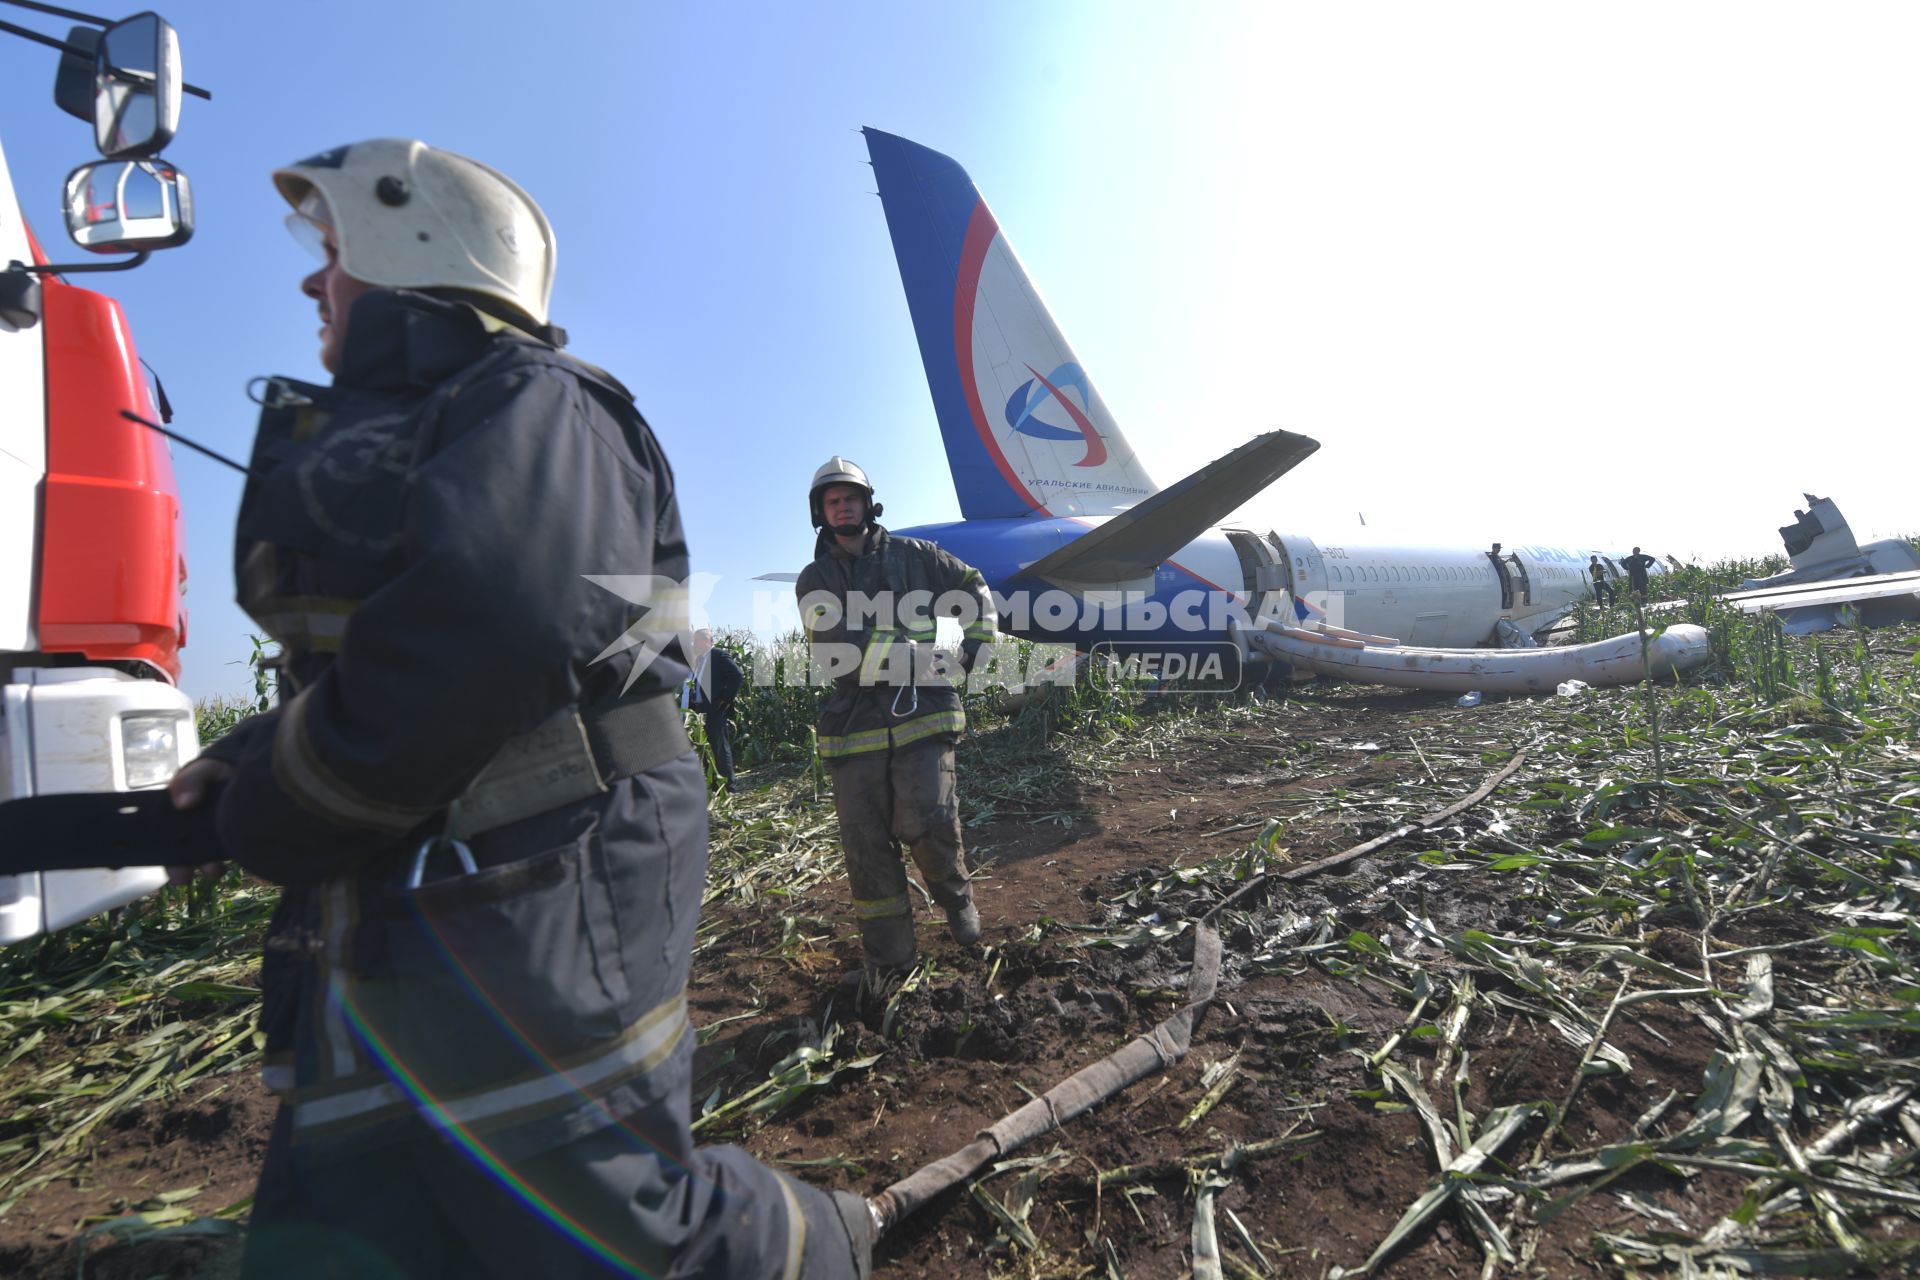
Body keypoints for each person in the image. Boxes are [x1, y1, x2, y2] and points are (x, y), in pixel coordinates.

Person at [165, 139, 869, 1278]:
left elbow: (493, 622)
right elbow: (387, 658)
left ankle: (826, 1242)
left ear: (413, 245)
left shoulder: (544, 404)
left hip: (545, 879)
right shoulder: (436, 426)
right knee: (340, 1226)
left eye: (332, 253)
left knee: (607, 1227)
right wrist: (254, 749)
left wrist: (276, 805)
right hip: (407, 903)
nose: (310, 282)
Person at [795, 458, 997, 979]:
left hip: (922, 711)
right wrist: (911, 654)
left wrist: (974, 644)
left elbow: (972, 585)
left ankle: (956, 901)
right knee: (866, 849)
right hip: (853, 724)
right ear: (821, 513)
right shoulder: (812, 579)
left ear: (868, 503)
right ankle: (892, 959)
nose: (843, 506)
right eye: (832, 500)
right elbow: (832, 651)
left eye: (851, 498)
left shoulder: (916, 556)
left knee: (928, 821)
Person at [686, 629, 746, 789]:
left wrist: (724, 699)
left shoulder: (718, 655)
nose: (694, 644)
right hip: (700, 711)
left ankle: (728, 786)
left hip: (714, 710)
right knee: (707, 747)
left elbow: (737, 676)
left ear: (707, 640)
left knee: (719, 747)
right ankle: (714, 783)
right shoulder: (699, 660)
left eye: (696, 640)